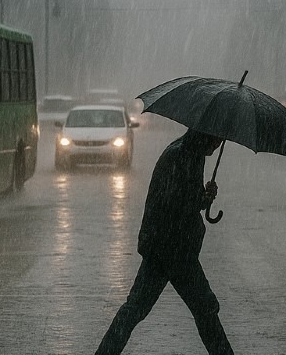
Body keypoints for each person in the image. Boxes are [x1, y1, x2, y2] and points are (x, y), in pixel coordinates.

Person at [95, 130, 233, 355]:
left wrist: (203, 198)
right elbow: (174, 204)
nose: (217, 146)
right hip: (170, 249)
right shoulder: (180, 156)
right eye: (216, 140)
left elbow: (183, 200)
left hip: (169, 247)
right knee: (202, 309)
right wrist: (200, 199)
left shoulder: (191, 153)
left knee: (137, 310)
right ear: (205, 136)